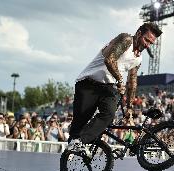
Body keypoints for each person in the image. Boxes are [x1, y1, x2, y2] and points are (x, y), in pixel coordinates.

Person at [68, 23, 162, 151]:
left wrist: (129, 107)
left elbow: (132, 83)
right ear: (139, 33)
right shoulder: (126, 39)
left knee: (109, 114)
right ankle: (75, 141)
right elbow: (109, 60)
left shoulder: (138, 59)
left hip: (109, 87)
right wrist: (119, 79)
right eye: (146, 40)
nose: (147, 45)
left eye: (150, 43)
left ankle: (80, 142)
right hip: (89, 83)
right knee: (81, 119)